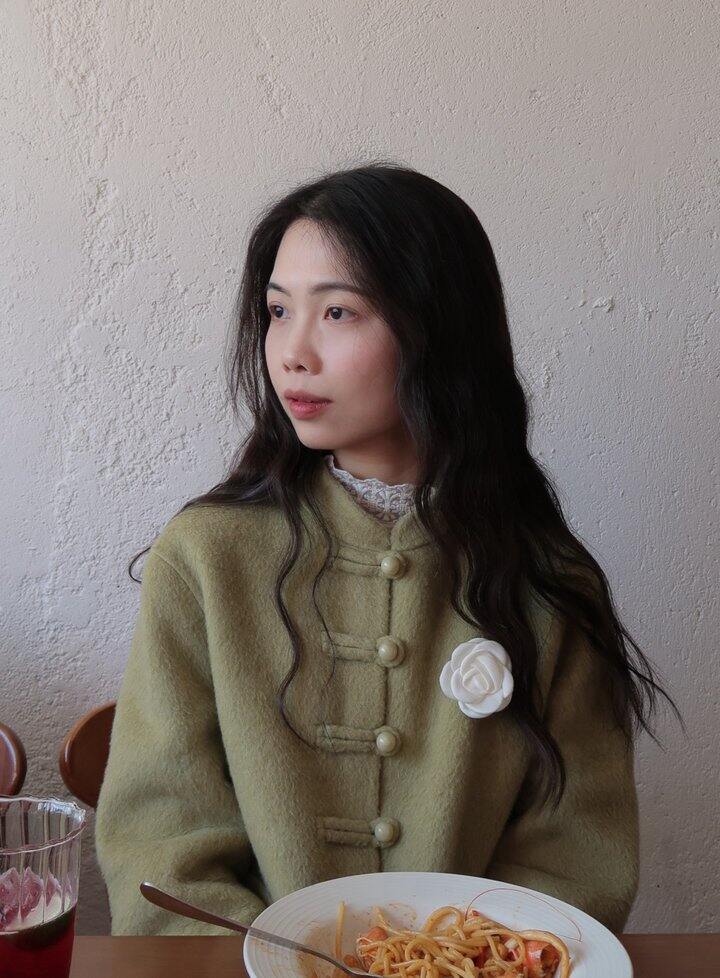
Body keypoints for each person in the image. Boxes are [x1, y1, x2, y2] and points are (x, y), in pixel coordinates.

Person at [95, 161, 679, 937]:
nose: (292, 352)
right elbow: (163, 848)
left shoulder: (546, 580)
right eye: (277, 311)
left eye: (338, 312)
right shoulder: (205, 556)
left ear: (438, 328)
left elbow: (574, 862)